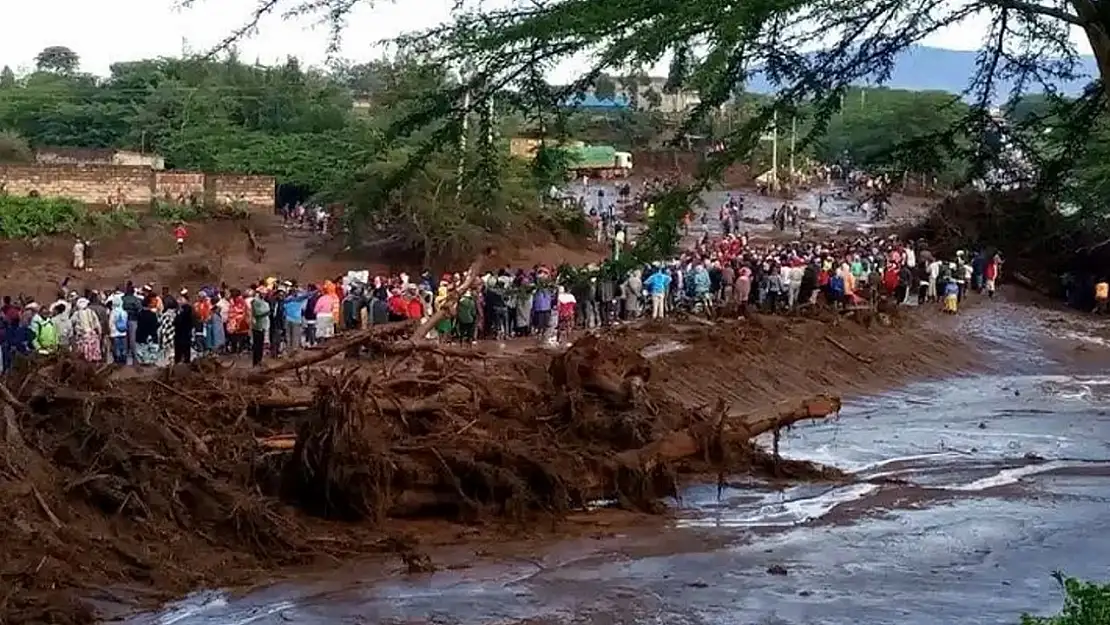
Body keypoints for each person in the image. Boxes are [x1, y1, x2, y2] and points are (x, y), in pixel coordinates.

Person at [71, 298, 102, 362]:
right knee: (93, 351)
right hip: (92, 335)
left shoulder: (76, 314)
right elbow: (97, 324)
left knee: (84, 352)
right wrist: (100, 333)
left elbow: (71, 323)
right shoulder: (91, 312)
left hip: (82, 336)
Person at [108, 299, 128, 364]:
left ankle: (117, 360)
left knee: (116, 347)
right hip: (123, 332)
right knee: (123, 347)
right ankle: (124, 359)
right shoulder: (124, 312)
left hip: (115, 333)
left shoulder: (113, 312)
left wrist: (110, 331)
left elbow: (110, 323)